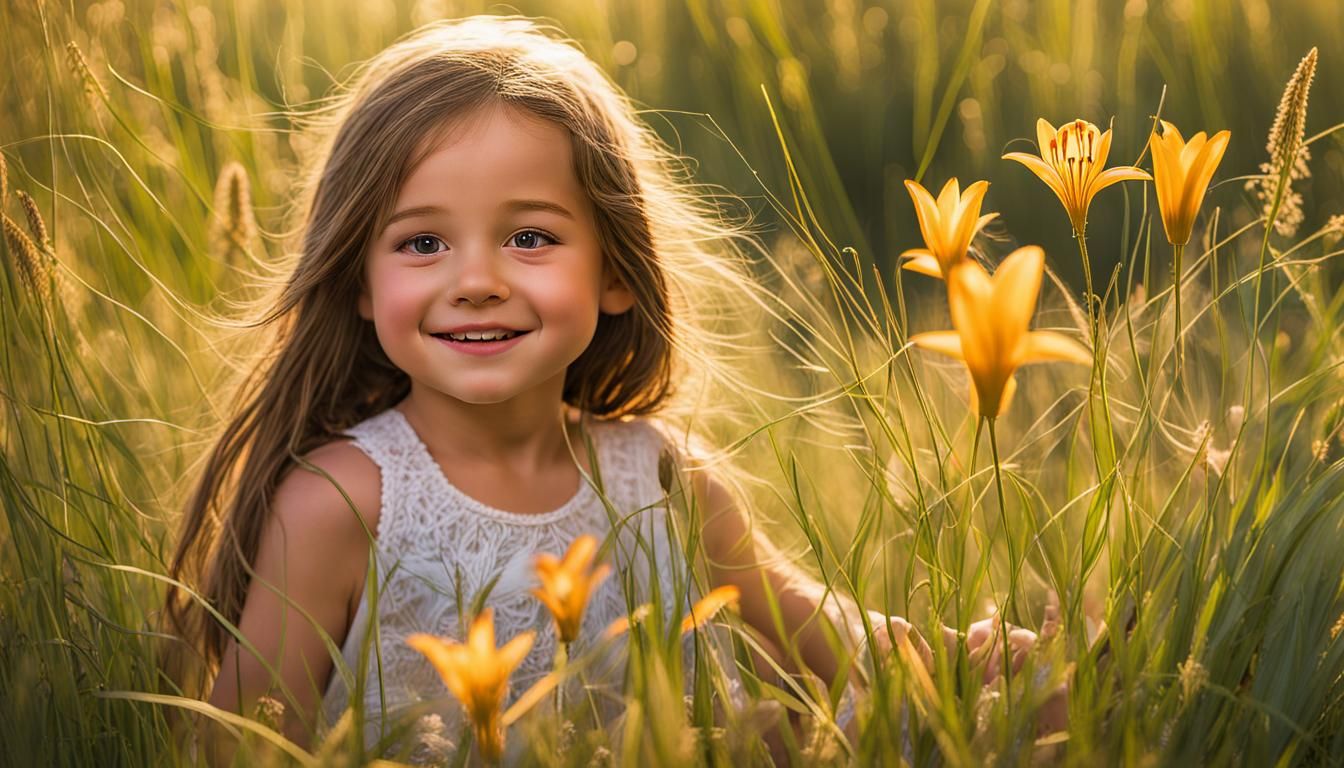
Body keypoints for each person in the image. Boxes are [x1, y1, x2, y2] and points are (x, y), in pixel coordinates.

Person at [159, 16, 1049, 764]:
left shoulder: (658, 477)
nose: (475, 280)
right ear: (358, 280)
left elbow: (823, 634)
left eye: (531, 238)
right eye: (423, 243)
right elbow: (244, 740)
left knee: (1042, 714)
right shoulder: (341, 503)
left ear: (616, 270)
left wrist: (949, 660)